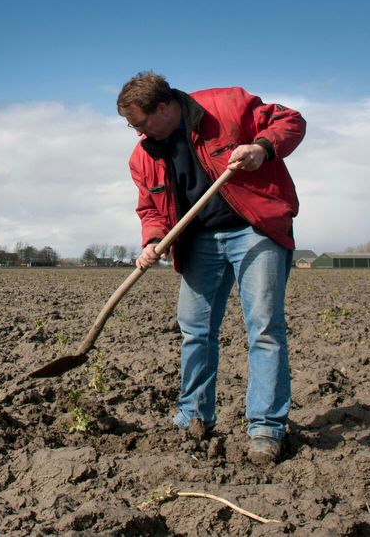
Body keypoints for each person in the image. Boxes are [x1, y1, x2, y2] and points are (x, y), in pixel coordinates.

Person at [116, 71, 305, 465]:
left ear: (165, 108)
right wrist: (153, 239)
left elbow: (291, 121)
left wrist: (261, 148)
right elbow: (150, 208)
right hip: (198, 240)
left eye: (140, 123)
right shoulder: (143, 156)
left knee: (264, 328)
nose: (136, 133)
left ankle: (266, 428)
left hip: (255, 230)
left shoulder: (226, 106)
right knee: (195, 330)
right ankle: (194, 418)